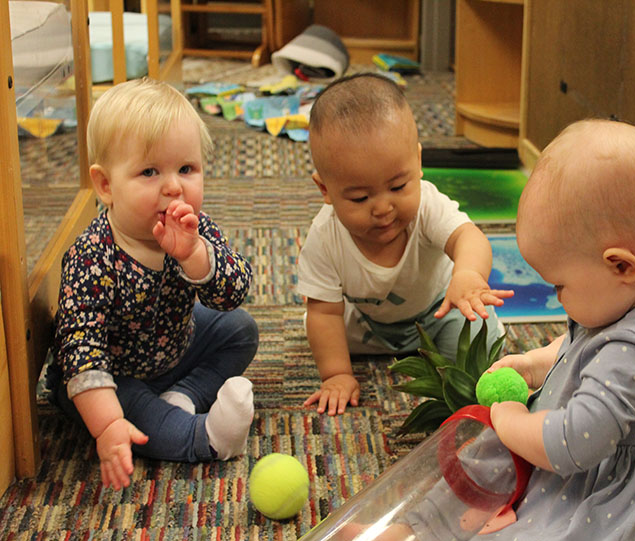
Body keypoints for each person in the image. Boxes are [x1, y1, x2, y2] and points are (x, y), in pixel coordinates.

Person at [405, 119, 635, 541]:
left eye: (560, 286)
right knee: (474, 464)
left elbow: (573, 444)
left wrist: (509, 417)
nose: (558, 300)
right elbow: (583, 348)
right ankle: (424, 536)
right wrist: (537, 363)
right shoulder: (634, 293)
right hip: (575, 465)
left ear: (620, 265)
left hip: (610, 499)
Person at [49, 78, 259, 491]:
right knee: (141, 421)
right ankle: (208, 438)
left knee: (241, 330)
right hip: (109, 380)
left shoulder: (193, 227)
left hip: (174, 348)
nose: (173, 186)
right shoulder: (92, 256)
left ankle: (183, 395)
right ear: (106, 185)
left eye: (186, 169)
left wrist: (194, 255)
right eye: (149, 172)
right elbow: (81, 350)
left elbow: (234, 291)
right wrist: (107, 424)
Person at [297, 73, 513, 416]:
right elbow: (324, 310)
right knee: (320, 328)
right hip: (370, 322)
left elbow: (467, 236)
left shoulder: (428, 206)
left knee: (479, 354)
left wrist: (469, 274)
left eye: (398, 187)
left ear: (418, 162)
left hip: (441, 309)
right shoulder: (324, 236)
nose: (383, 208)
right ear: (325, 190)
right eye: (359, 197)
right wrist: (336, 374)